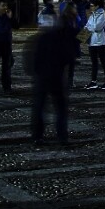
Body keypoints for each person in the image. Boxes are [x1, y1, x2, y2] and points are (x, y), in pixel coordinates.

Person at [27, 14, 79, 145]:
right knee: (60, 108)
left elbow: (33, 59)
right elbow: (68, 57)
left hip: (41, 78)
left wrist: (35, 72)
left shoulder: (39, 38)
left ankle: (37, 136)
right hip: (57, 77)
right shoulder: (61, 39)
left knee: (39, 107)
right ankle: (62, 136)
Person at [84, 0, 105, 90]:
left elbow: (97, 27)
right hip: (92, 42)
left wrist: (90, 27)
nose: (91, 7)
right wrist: (90, 27)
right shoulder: (92, 15)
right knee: (94, 62)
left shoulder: (102, 15)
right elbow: (87, 26)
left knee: (103, 61)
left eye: (92, 5)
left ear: (97, 6)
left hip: (101, 42)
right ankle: (93, 81)